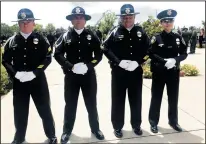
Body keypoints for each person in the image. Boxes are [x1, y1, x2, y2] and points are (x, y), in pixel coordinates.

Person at [2, 8, 57, 144]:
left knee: (45, 110)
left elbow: (48, 57)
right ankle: (19, 137)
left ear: (34, 23)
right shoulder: (11, 41)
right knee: (20, 112)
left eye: (28, 21)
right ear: (18, 24)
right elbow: (5, 60)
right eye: (22, 21)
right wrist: (16, 73)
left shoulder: (41, 39)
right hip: (20, 82)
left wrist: (35, 72)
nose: (25, 24)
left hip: (38, 81)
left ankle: (51, 135)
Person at [53, 6, 104, 144]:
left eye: (80, 17)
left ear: (85, 20)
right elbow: (57, 54)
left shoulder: (92, 35)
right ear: (71, 20)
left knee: (91, 104)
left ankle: (95, 129)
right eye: (75, 17)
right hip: (71, 77)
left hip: (88, 76)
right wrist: (70, 66)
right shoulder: (65, 36)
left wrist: (89, 65)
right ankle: (67, 131)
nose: (78, 19)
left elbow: (99, 54)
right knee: (70, 104)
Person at [102, 4, 150, 138]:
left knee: (136, 100)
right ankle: (117, 127)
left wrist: (139, 62)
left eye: (130, 17)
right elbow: (105, 48)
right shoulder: (115, 31)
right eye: (124, 17)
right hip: (119, 72)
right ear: (121, 18)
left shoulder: (141, 32)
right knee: (118, 100)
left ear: (134, 17)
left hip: (135, 72)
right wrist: (118, 62)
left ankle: (136, 125)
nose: (127, 20)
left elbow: (149, 50)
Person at [147, 9, 188, 133]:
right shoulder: (156, 37)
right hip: (159, 72)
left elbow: (184, 53)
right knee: (156, 98)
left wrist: (175, 60)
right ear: (161, 23)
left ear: (173, 22)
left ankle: (173, 121)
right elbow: (150, 53)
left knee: (173, 98)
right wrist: (164, 61)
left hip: (173, 73)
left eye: (170, 21)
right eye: (165, 21)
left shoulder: (178, 37)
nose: (168, 23)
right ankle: (153, 122)